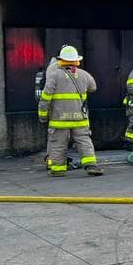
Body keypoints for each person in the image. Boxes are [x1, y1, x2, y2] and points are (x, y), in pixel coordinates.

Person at [38, 45, 103, 177]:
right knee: (84, 141)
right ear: (76, 60)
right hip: (80, 118)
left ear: (61, 60)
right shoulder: (84, 75)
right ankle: (91, 165)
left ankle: (57, 169)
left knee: (58, 144)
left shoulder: (54, 75)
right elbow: (93, 87)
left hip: (59, 119)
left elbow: (45, 97)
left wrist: (43, 116)